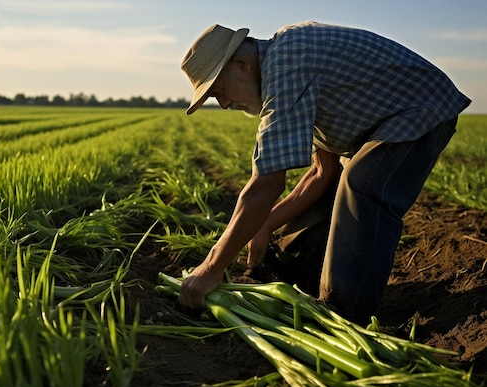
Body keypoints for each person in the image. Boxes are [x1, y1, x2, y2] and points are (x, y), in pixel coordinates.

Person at [178, 21, 471, 324]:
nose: (224, 104)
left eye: (219, 91)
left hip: (421, 107)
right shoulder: (291, 65)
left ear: (240, 64)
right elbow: (323, 170)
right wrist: (264, 225)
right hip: (394, 115)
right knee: (338, 183)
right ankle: (301, 279)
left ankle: (345, 314)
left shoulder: (287, 61)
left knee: (361, 184)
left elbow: (266, 184)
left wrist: (210, 269)